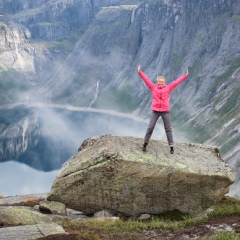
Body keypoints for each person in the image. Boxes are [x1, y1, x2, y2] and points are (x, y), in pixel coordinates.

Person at [137, 65, 189, 153]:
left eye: (162, 82)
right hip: (155, 111)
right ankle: (145, 144)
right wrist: (140, 72)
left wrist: (185, 75)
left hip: (165, 111)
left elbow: (177, 82)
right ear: (157, 82)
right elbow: (146, 80)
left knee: (168, 129)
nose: (161, 83)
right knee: (150, 127)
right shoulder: (153, 87)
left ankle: (171, 146)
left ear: (164, 82)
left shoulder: (168, 88)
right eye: (159, 81)